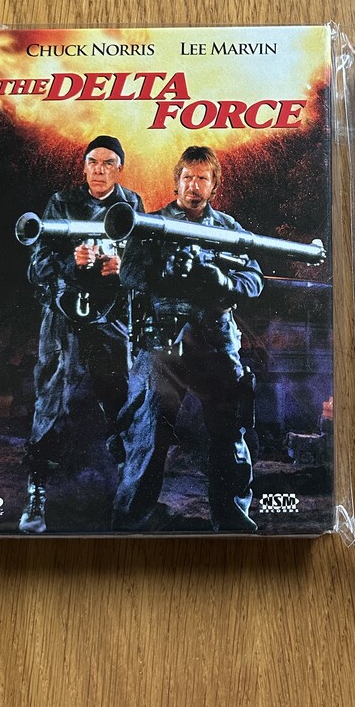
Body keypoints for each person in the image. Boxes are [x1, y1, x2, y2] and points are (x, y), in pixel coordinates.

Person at [112, 146, 263, 532]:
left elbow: (254, 280)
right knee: (147, 435)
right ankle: (130, 523)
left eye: (202, 179)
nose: (194, 185)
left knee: (229, 436)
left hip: (215, 343)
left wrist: (222, 280)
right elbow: (129, 274)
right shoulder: (150, 224)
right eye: (188, 177)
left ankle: (232, 518)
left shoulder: (228, 228)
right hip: (162, 345)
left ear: (214, 185)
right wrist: (165, 272)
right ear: (176, 181)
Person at [21, 135, 144, 534]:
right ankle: (36, 493)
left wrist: (121, 267)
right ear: (84, 166)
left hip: (110, 317)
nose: (99, 170)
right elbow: (37, 268)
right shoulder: (62, 203)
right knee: (51, 401)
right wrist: (72, 265)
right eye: (92, 162)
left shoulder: (133, 204)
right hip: (63, 316)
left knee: (122, 399)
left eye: (108, 163)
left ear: (119, 168)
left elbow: (143, 265)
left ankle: (131, 492)